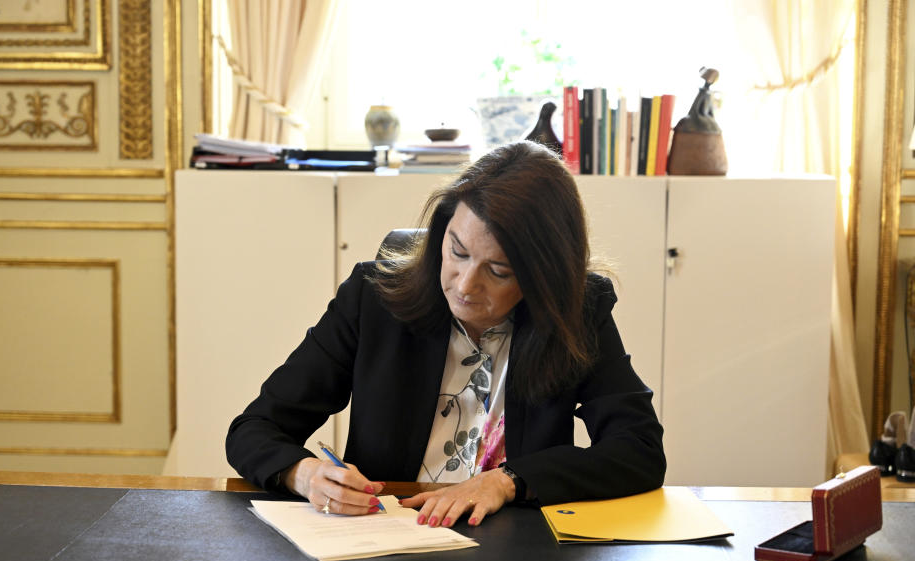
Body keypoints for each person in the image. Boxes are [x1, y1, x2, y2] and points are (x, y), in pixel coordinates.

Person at [226, 140, 665, 528]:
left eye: (498, 271)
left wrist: (508, 480)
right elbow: (255, 428)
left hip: (517, 553)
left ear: (543, 278)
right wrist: (303, 474)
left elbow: (639, 448)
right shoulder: (374, 298)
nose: (464, 284)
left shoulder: (578, 311)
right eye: (457, 251)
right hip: (389, 543)